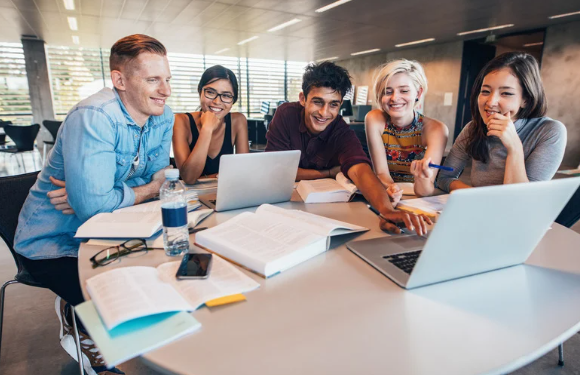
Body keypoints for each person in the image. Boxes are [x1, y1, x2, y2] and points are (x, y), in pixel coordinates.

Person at [14, 34, 174, 375]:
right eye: (153, 80)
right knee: (127, 304)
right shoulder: (95, 116)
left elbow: (161, 180)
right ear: (119, 80)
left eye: (167, 79)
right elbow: (102, 205)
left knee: (165, 279)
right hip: (55, 240)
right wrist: (123, 193)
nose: (165, 90)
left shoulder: (163, 115)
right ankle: (80, 318)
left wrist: (98, 195)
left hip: (115, 229)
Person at [265, 61, 431, 235]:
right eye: (317, 102)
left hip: (323, 210)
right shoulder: (286, 114)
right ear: (303, 99)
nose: (324, 112)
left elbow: (360, 170)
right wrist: (328, 173)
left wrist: (386, 211)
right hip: (283, 205)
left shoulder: (341, 131)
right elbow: (277, 170)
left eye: (333, 104)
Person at [437, 52, 567, 192]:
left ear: (526, 99)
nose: (491, 102)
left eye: (506, 93)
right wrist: (475, 197)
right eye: (485, 91)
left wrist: (514, 147)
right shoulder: (473, 128)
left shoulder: (550, 131)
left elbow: (522, 199)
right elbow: (445, 178)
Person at [366, 59, 448, 198]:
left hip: (421, 200)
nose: (395, 98)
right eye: (387, 91)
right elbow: (381, 174)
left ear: (418, 93)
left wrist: (422, 178)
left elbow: (425, 191)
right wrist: (393, 190)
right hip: (388, 195)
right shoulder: (374, 119)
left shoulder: (436, 129)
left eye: (404, 90)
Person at [173, 65, 249, 184]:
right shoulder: (181, 121)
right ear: (200, 91)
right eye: (210, 92)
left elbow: (244, 172)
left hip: (225, 193)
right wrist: (207, 129)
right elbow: (188, 177)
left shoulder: (238, 121)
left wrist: (206, 178)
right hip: (191, 198)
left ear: (233, 100)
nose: (217, 102)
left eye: (226, 95)